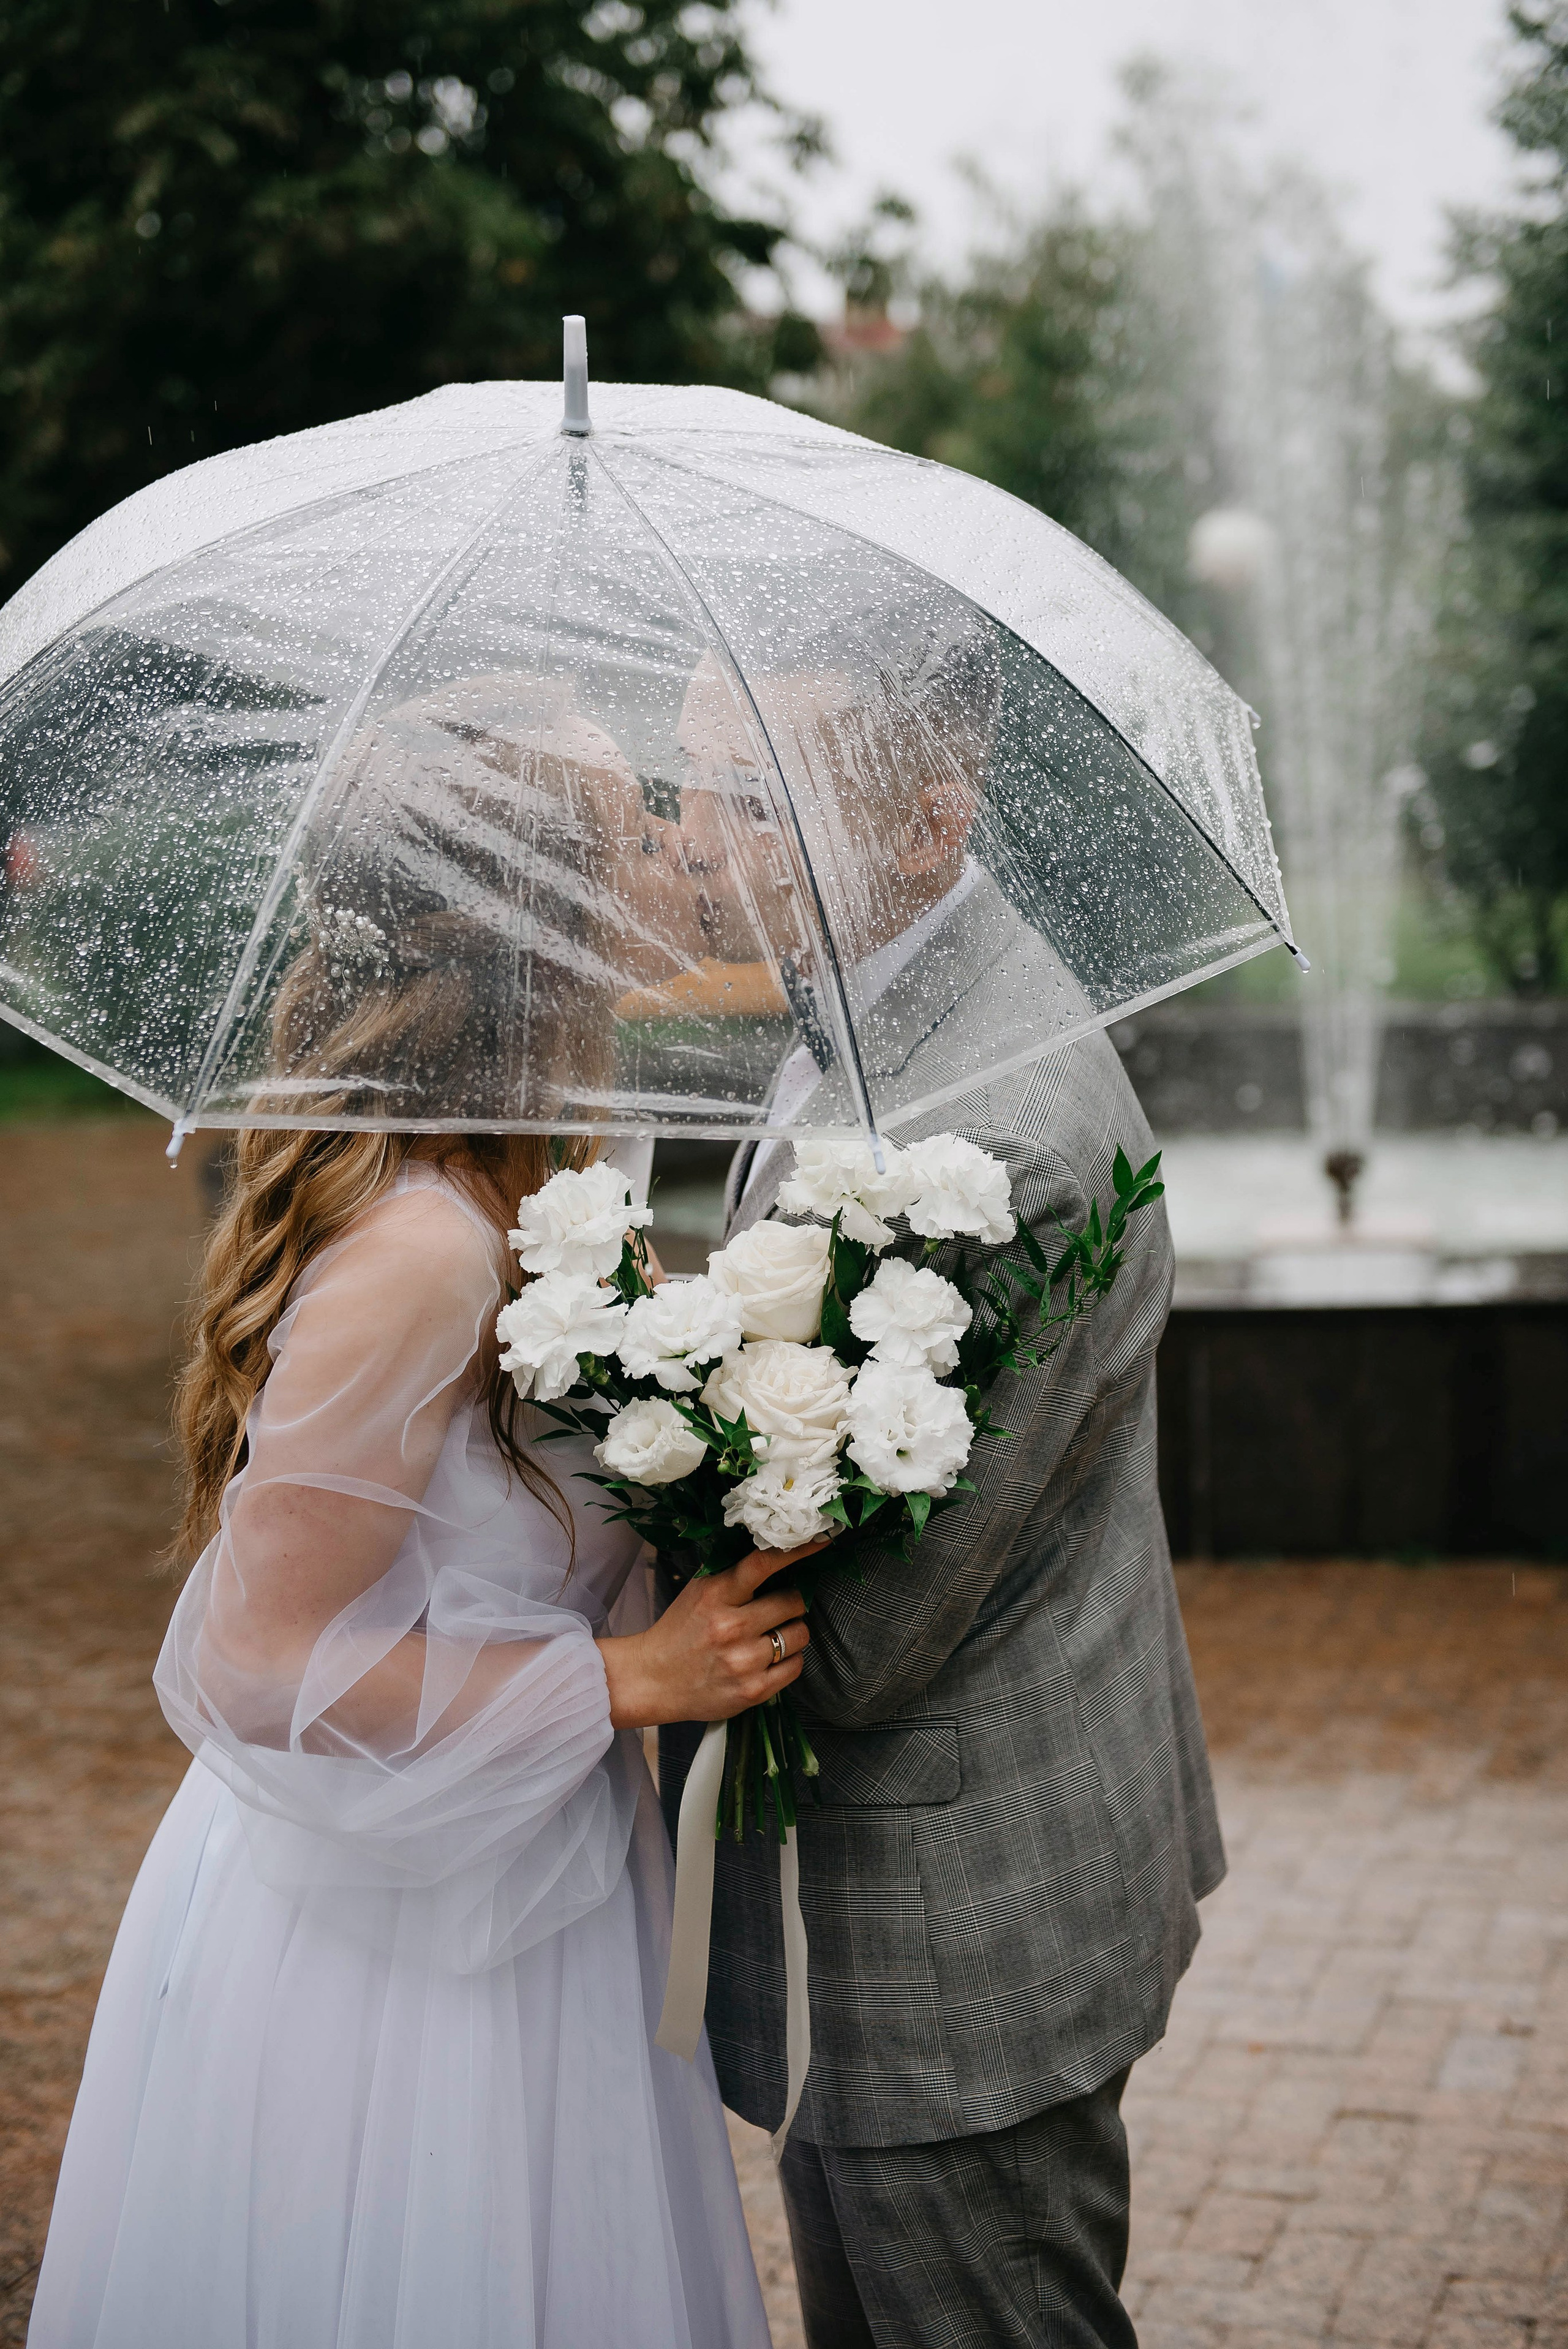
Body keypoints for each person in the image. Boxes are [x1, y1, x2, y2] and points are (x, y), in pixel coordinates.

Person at [26, 695, 803, 2349]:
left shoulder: (540, 1171)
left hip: (531, 1877)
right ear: (533, 915)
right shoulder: (424, 1245)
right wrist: (621, 1681)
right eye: (631, 826)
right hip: (398, 1961)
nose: (677, 845)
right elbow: (253, 1660)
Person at [660, 610, 1226, 2349]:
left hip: (955, 1942)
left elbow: (858, 1643)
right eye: (689, 785)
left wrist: (578, 1521)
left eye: (757, 799)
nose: (694, 840)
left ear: (929, 823)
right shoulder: (872, 995)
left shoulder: (1005, 1142)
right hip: (891, 1924)